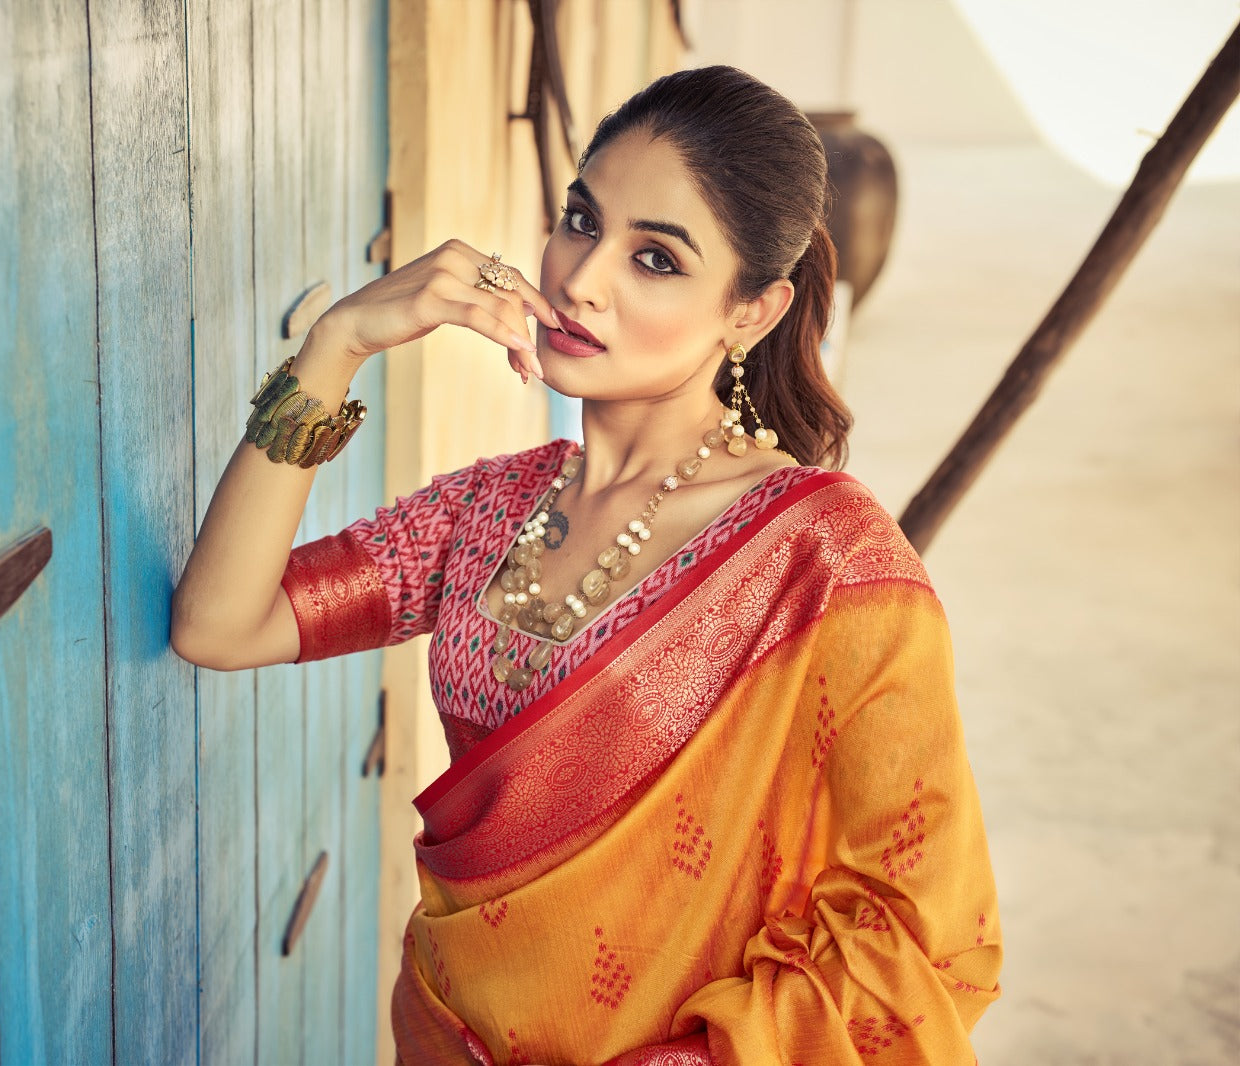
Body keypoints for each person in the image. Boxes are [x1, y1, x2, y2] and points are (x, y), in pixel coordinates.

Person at [172, 65, 1000, 1065]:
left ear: (752, 311)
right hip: (445, 1034)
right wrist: (335, 345)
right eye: (580, 218)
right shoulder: (488, 508)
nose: (580, 276)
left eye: (654, 258)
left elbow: (919, 931)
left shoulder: (826, 561)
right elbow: (218, 624)